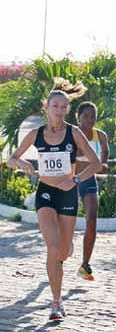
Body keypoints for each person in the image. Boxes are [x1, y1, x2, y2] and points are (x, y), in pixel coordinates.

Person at [8, 83, 101, 320]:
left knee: (63, 252)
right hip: (46, 193)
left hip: (68, 193)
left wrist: (77, 179)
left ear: (67, 109)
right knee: (53, 246)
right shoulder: (36, 134)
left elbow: (96, 162)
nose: (59, 110)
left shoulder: (74, 133)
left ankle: (67, 248)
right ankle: (56, 303)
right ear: (46, 107)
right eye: (55, 106)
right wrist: (22, 163)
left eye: (63, 106)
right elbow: (12, 158)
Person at [75, 101, 109, 281]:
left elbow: (105, 153)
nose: (90, 119)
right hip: (70, 182)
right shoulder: (71, 134)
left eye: (93, 116)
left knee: (92, 221)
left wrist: (103, 164)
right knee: (66, 223)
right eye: (86, 116)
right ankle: (61, 254)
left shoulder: (100, 136)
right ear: (78, 117)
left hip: (88, 181)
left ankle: (85, 264)